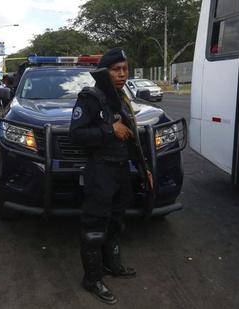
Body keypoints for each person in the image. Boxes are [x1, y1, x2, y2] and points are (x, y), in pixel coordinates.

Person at [70, 47, 148, 304]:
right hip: (100, 170)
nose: (122, 74)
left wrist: (144, 167)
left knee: (116, 221)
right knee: (94, 226)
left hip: (121, 170)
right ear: (105, 72)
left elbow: (132, 136)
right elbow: (77, 134)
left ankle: (112, 265)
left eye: (125, 69)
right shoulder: (90, 97)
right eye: (117, 69)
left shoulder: (121, 96)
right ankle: (92, 279)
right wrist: (108, 130)